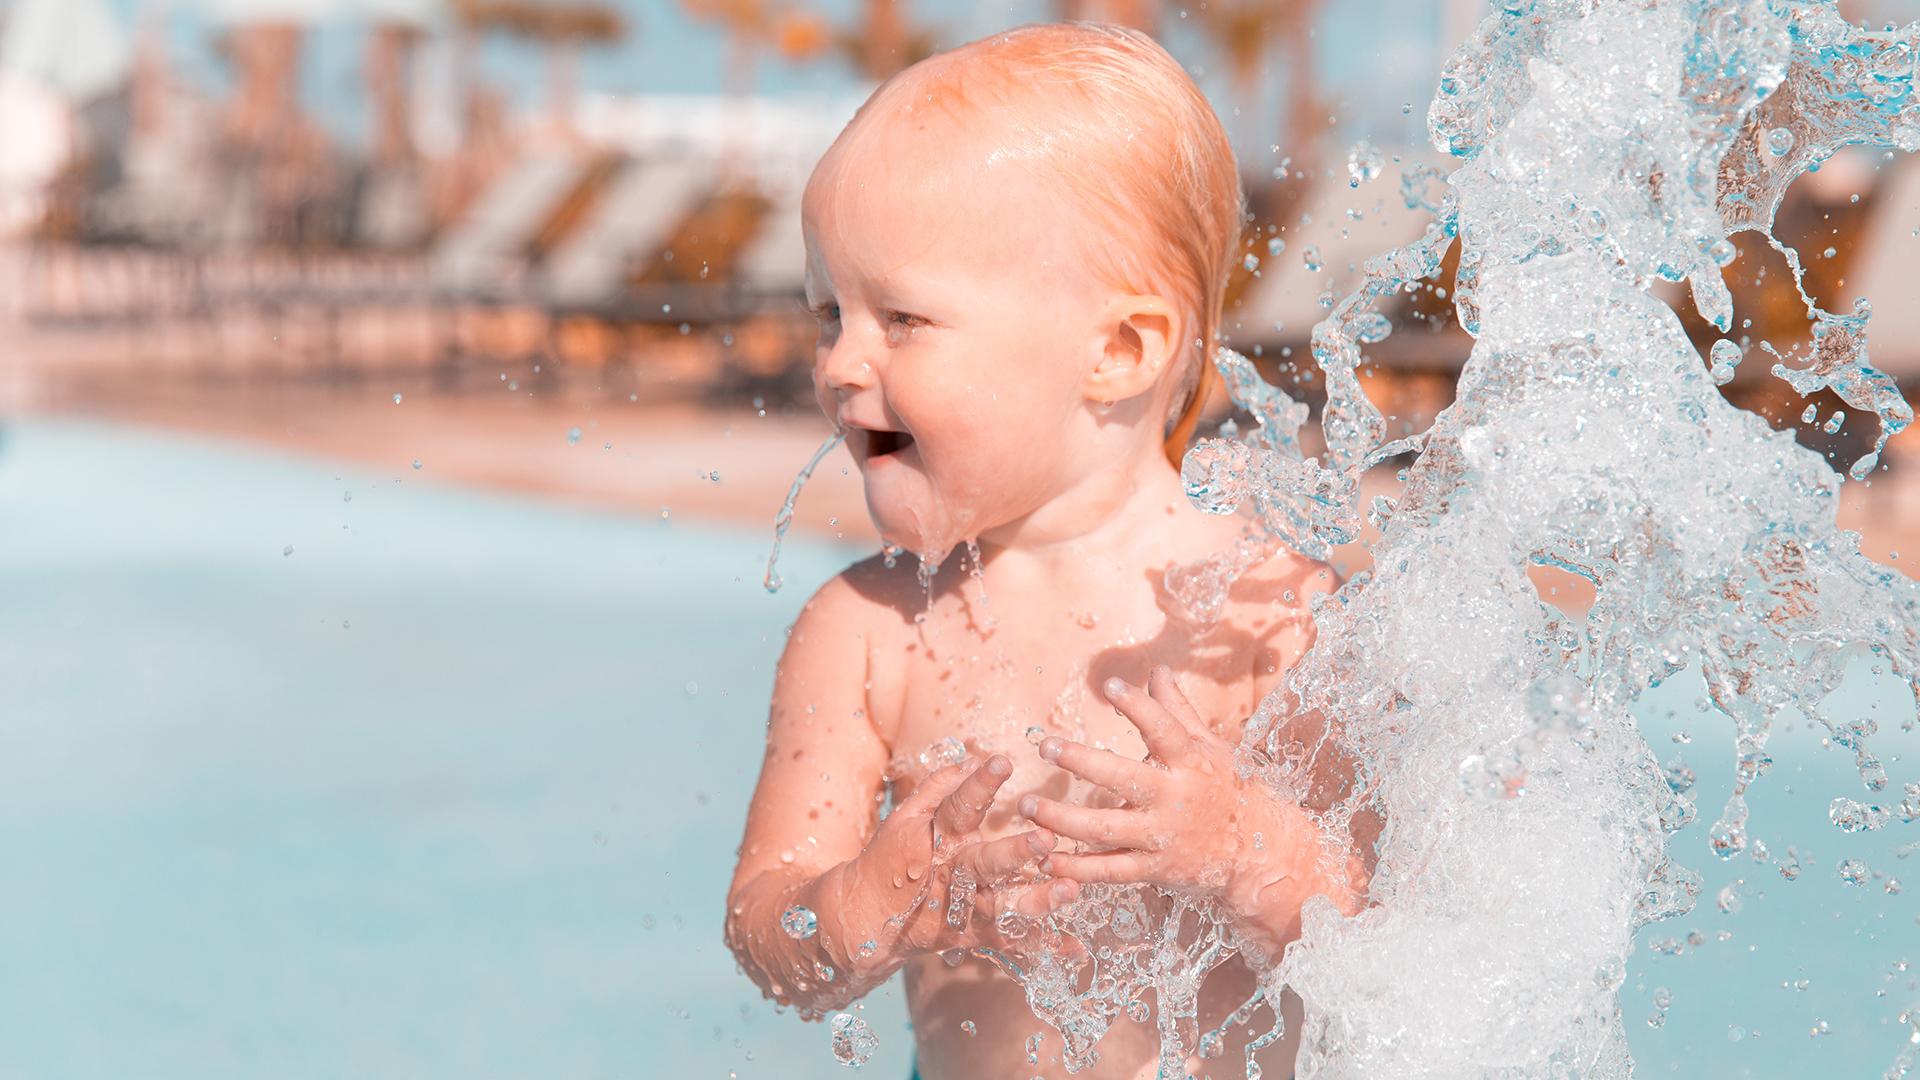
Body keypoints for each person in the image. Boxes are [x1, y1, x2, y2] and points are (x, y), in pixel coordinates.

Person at [724, 22, 1364, 1079]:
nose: (841, 363)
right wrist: (863, 901)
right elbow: (769, 937)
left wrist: (1248, 849)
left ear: (1118, 350)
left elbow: (1394, 944)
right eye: (830, 314)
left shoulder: (1269, 619)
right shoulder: (869, 635)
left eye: (902, 317)